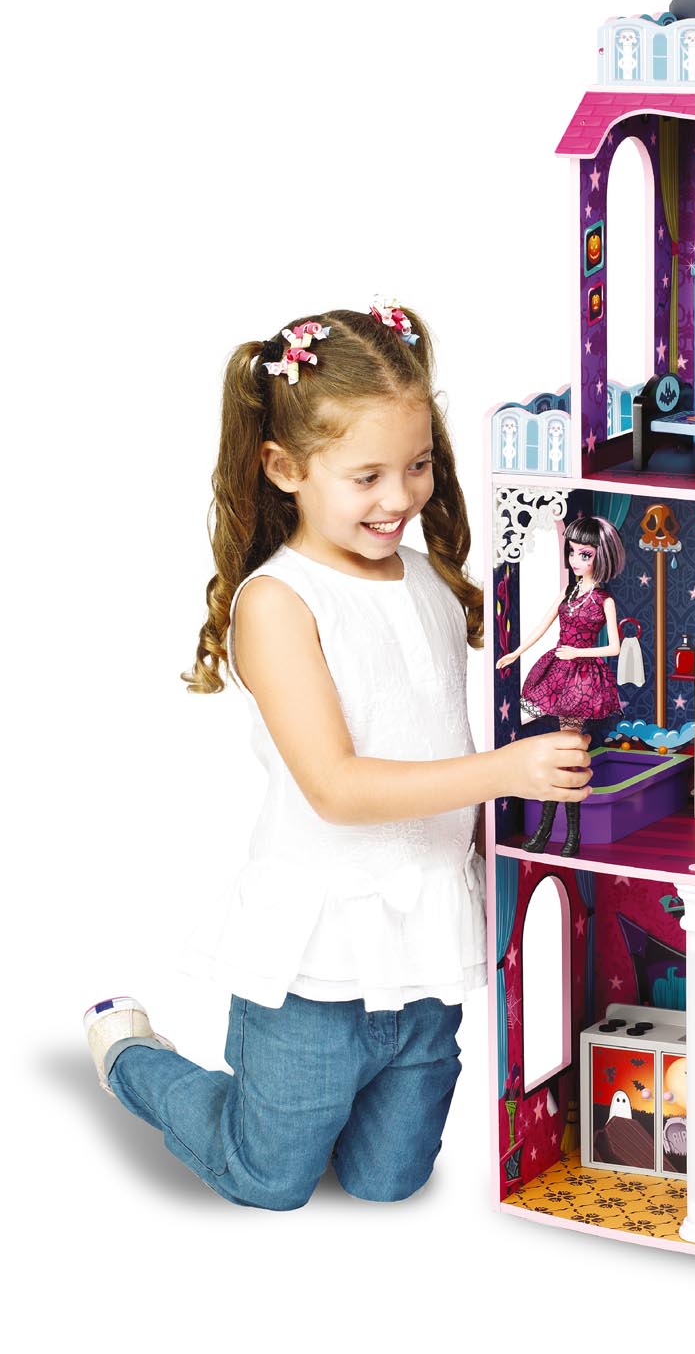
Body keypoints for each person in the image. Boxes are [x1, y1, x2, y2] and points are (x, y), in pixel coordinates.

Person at [83, 301, 590, 1210]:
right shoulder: (278, 603)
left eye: (418, 465)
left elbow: (435, 737)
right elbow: (337, 788)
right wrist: (509, 772)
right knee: (270, 1179)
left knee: (389, 1181)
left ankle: (325, 1114)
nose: (399, 499)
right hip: (316, 969)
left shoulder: (428, 582)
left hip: (424, 950)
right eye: (367, 477)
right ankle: (132, 1054)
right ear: (286, 469)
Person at [495, 516, 624, 857]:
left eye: (585, 554)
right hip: (558, 671)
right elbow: (542, 627)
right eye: (572, 553)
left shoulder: (604, 600)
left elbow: (614, 647)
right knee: (563, 757)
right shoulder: (568, 593)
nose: (575, 560)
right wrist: (516, 653)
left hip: (582, 679)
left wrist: (579, 652)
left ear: (601, 556)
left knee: (567, 759)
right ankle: (553, 833)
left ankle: (562, 834)